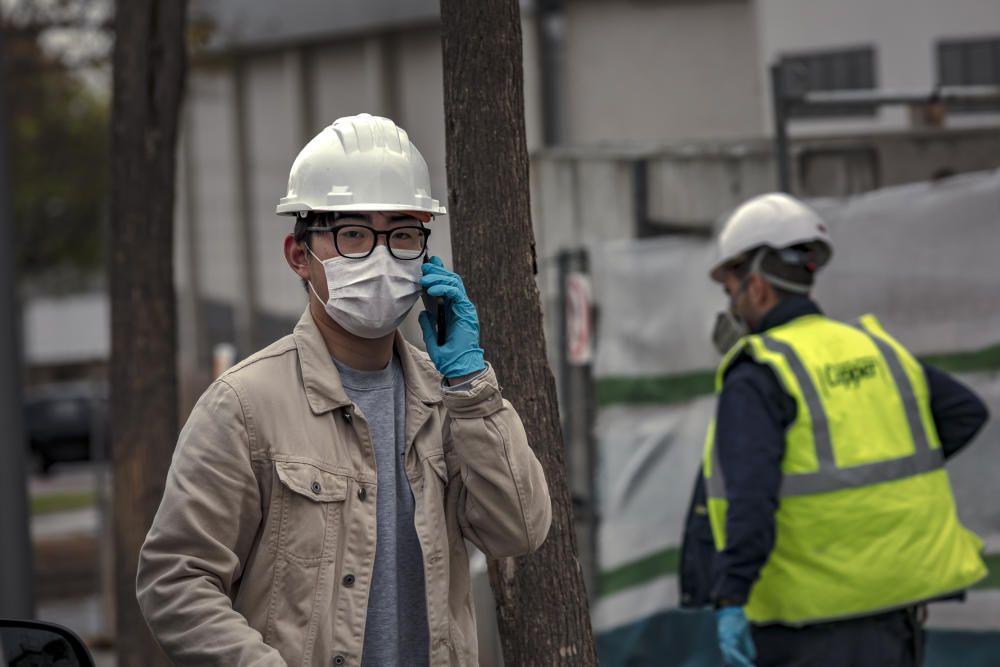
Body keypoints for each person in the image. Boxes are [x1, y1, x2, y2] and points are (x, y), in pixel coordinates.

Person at [136, 113, 552, 666]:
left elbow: (518, 530)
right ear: (299, 255)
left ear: (426, 255)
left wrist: (472, 385)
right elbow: (176, 581)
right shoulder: (244, 405)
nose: (381, 257)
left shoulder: (447, 399)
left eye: (403, 234)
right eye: (354, 235)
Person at [681, 193, 990, 667]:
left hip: (809, 631)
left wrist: (731, 597)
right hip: (896, 618)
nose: (732, 305)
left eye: (731, 290)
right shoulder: (877, 350)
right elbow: (965, 412)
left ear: (757, 286)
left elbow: (751, 497)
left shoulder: (759, 372)